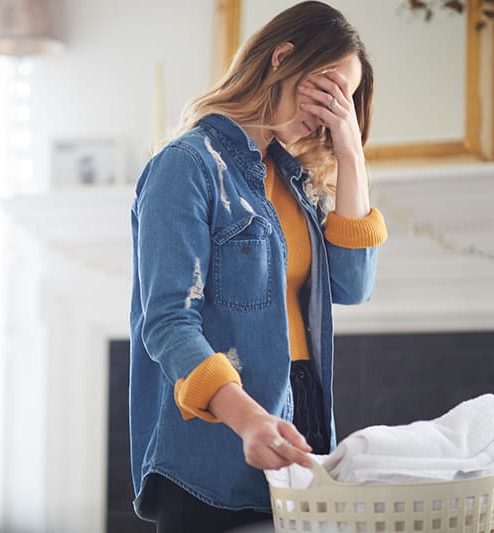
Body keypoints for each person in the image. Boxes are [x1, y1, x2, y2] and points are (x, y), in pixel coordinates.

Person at [128, 2, 388, 531]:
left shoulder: (293, 182)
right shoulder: (187, 165)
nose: (335, 110)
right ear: (282, 58)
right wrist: (249, 421)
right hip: (219, 439)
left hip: (303, 416)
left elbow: (352, 284)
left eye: (347, 99)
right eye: (331, 90)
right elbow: (169, 324)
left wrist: (352, 154)